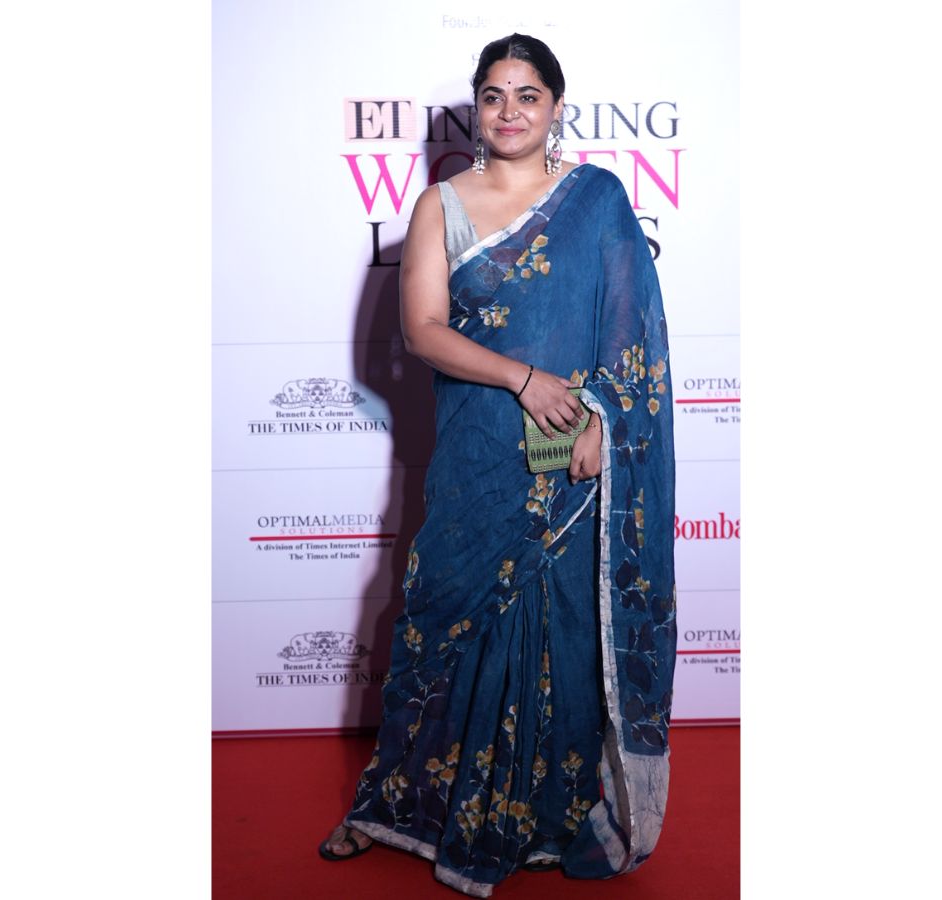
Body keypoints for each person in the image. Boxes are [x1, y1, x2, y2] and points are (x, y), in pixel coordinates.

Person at [319, 33, 677, 897]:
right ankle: (395, 806)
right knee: (440, 617)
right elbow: (422, 331)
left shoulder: (597, 199)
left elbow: (632, 332)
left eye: (527, 95)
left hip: (573, 458)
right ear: (475, 110)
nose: (509, 111)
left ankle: (546, 816)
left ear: (557, 107)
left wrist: (603, 422)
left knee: (562, 631)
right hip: (478, 450)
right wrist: (521, 378)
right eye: (493, 95)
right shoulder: (441, 204)